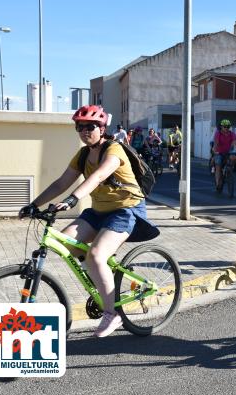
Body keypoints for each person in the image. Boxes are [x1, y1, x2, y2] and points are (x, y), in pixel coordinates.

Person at [17, 105, 158, 338]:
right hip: (99, 211)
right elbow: (61, 183)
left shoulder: (114, 150)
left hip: (126, 210)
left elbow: (99, 176)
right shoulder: (82, 155)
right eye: (80, 127)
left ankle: (113, 314)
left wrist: (72, 200)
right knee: (66, 242)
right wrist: (35, 204)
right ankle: (100, 277)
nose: (84, 131)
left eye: (90, 126)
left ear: (102, 128)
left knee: (95, 255)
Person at [213, 119, 236, 192]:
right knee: (218, 166)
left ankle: (229, 170)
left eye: (228, 127)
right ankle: (217, 182)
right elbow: (216, 143)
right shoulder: (218, 133)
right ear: (221, 127)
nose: (226, 128)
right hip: (219, 152)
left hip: (228, 152)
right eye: (225, 127)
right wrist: (215, 151)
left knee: (234, 157)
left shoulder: (232, 134)